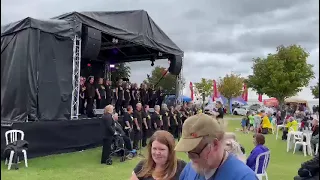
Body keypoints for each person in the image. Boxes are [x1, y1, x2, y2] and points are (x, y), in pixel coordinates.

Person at [176, 113, 257, 180]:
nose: (190, 157)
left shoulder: (244, 177)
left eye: (195, 151)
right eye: (187, 151)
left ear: (215, 144)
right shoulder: (190, 168)